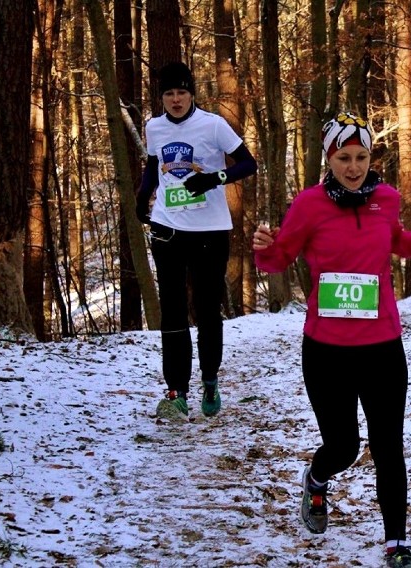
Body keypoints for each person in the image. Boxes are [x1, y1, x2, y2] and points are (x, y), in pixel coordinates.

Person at [251, 112, 411, 568]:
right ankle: (317, 479)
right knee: (342, 446)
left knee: (388, 445)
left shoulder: (387, 198)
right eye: (344, 158)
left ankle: (397, 544)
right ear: (329, 158)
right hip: (326, 350)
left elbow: (394, 240)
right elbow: (280, 258)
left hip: (382, 344)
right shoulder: (309, 205)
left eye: (361, 156)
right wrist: (264, 247)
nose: (355, 166)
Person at [135, 62, 257, 420]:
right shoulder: (154, 127)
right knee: (172, 309)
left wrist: (215, 178)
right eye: (169, 94)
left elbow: (248, 164)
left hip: (210, 231)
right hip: (168, 228)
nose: (176, 100)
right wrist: (143, 198)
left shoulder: (213, 125)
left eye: (182, 93)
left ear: (192, 94)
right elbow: (153, 165)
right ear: (161, 97)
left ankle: (210, 378)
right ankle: (176, 391)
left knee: (206, 308)